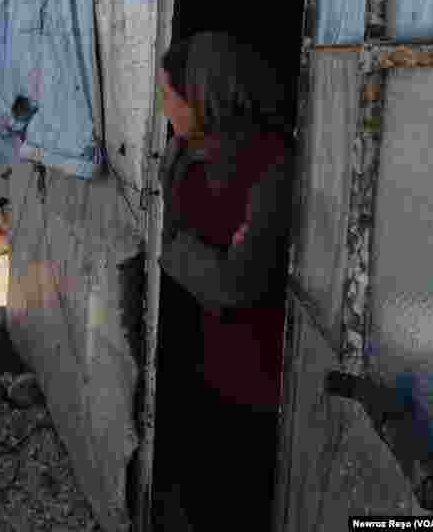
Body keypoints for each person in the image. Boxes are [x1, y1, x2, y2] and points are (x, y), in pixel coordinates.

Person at [153, 32, 293, 528]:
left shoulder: (271, 163)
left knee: (240, 494)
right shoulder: (187, 158)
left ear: (200, 95)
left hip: (259, 370)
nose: (164, 108)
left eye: (169, 96)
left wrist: (171, 247)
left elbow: (236, 285)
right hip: (208, 355)